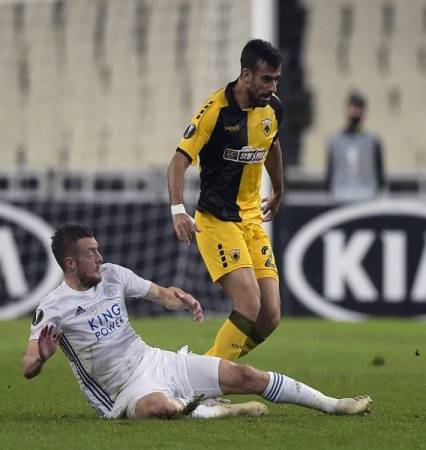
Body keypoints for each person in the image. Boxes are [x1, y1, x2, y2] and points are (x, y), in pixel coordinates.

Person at [22, 224, 372, 419]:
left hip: (155, 360)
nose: (100, 257)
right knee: (159, 408)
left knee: (244, 375)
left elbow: (159, 293)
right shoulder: (53, 307)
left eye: (98, 249)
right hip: (121, 391)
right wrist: (42, 357)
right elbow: (27, 366)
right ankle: (216, 411)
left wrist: (182, 298)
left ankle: (333, 404)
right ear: (70, 263)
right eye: (90, 253)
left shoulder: (113, 275)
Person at [167, 39, 284, 362]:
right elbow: (178, 161)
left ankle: (205, 371)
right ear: (246, 75)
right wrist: (178, 210)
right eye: (266, 79)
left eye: (276, 80)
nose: (272, 87)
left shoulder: (273, 108)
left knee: (269, 316)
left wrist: (278, 189)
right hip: (217, 221)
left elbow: (271, 144)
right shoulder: (215, 111)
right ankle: (208, 383)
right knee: (248, 304)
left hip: (251, 221)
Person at [326, 91, 386, 202]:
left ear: (363, 112)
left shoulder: (372, 141)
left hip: (367, 196)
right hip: (340, 196)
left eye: (358, 107)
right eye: (352, 106)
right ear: (346, 109)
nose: (355, 111)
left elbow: (380, 175)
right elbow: (330, 174)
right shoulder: (335, 141)